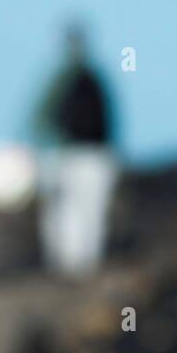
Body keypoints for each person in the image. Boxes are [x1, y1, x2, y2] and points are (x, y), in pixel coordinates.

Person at [33, 24, 118, 277]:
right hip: (73, 156)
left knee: (83, 210)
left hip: (88, 156)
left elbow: (40, 119)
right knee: (71, 210)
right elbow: (41, 118)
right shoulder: (71, 79)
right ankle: (72, 266)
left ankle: (80, 266)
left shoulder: (84, 79)